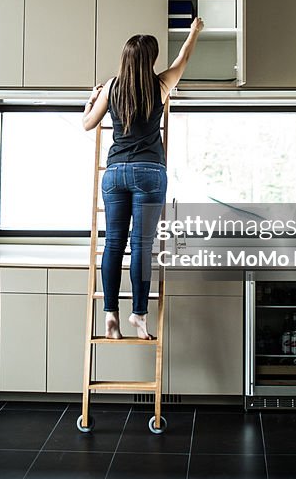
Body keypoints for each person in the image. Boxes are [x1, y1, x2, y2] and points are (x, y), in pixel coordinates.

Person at [82, 17, 204, 340]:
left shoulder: (111, 87)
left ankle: (110, 315)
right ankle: (138, 314)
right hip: (149, 172)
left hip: (115, 173)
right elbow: (184, 59)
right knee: (141, 246)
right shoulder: (161, 84)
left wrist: (90, 102)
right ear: (150, 60)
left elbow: (87, 124)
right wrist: (194, 32)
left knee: (113, 244)